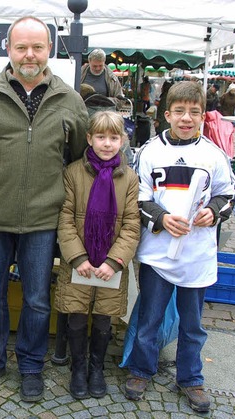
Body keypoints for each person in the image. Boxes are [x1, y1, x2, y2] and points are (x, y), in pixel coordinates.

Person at [0, 15, 89, 402]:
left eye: (37, 47)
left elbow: (80, 162)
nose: (30, 54)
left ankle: (30, 365)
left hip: (44, 221)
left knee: (37, 299)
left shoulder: (69, 99)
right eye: (21, 47)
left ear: (50, 50)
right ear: (8, 49)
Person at [124, 81, 235, 413]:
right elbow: (139, 197)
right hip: (159, 253)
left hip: (196, 255)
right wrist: (160, 218)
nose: (186, 118)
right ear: (166, 114)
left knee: (192, 324)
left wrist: (212, 211)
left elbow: (227, 196)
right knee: (151, 317)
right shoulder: (149, 152)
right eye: (180, 112)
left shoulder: (213, 155)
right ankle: (141, 370)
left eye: (194, 112)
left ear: (202, 115)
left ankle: (191, 377)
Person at [56, 111, 140, 400]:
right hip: (79, 261)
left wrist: (115, 261)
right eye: (101, 137)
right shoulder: (73, 173)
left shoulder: (128, 178)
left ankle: (96, 368)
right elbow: (65, 218)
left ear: (122, 141)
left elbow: (131, 224)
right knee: (76, 316)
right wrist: (77, 258)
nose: (107, 144)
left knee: (105, 319)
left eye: (114, 138)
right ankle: (78, 367)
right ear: (89, 138)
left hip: (110, 264)